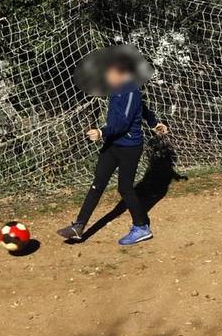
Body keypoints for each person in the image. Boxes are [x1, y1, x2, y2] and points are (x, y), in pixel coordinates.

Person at [60, 56, 169, 245]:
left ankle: (142, 227)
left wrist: (102, 132)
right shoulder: (117, 89)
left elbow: (123, 123)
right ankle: (79, 226)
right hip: (113, 145)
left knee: (125, 188)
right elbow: (142, 109)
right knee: (98, 183)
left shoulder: (130, 91)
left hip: (129, 147)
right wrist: (154, 123)